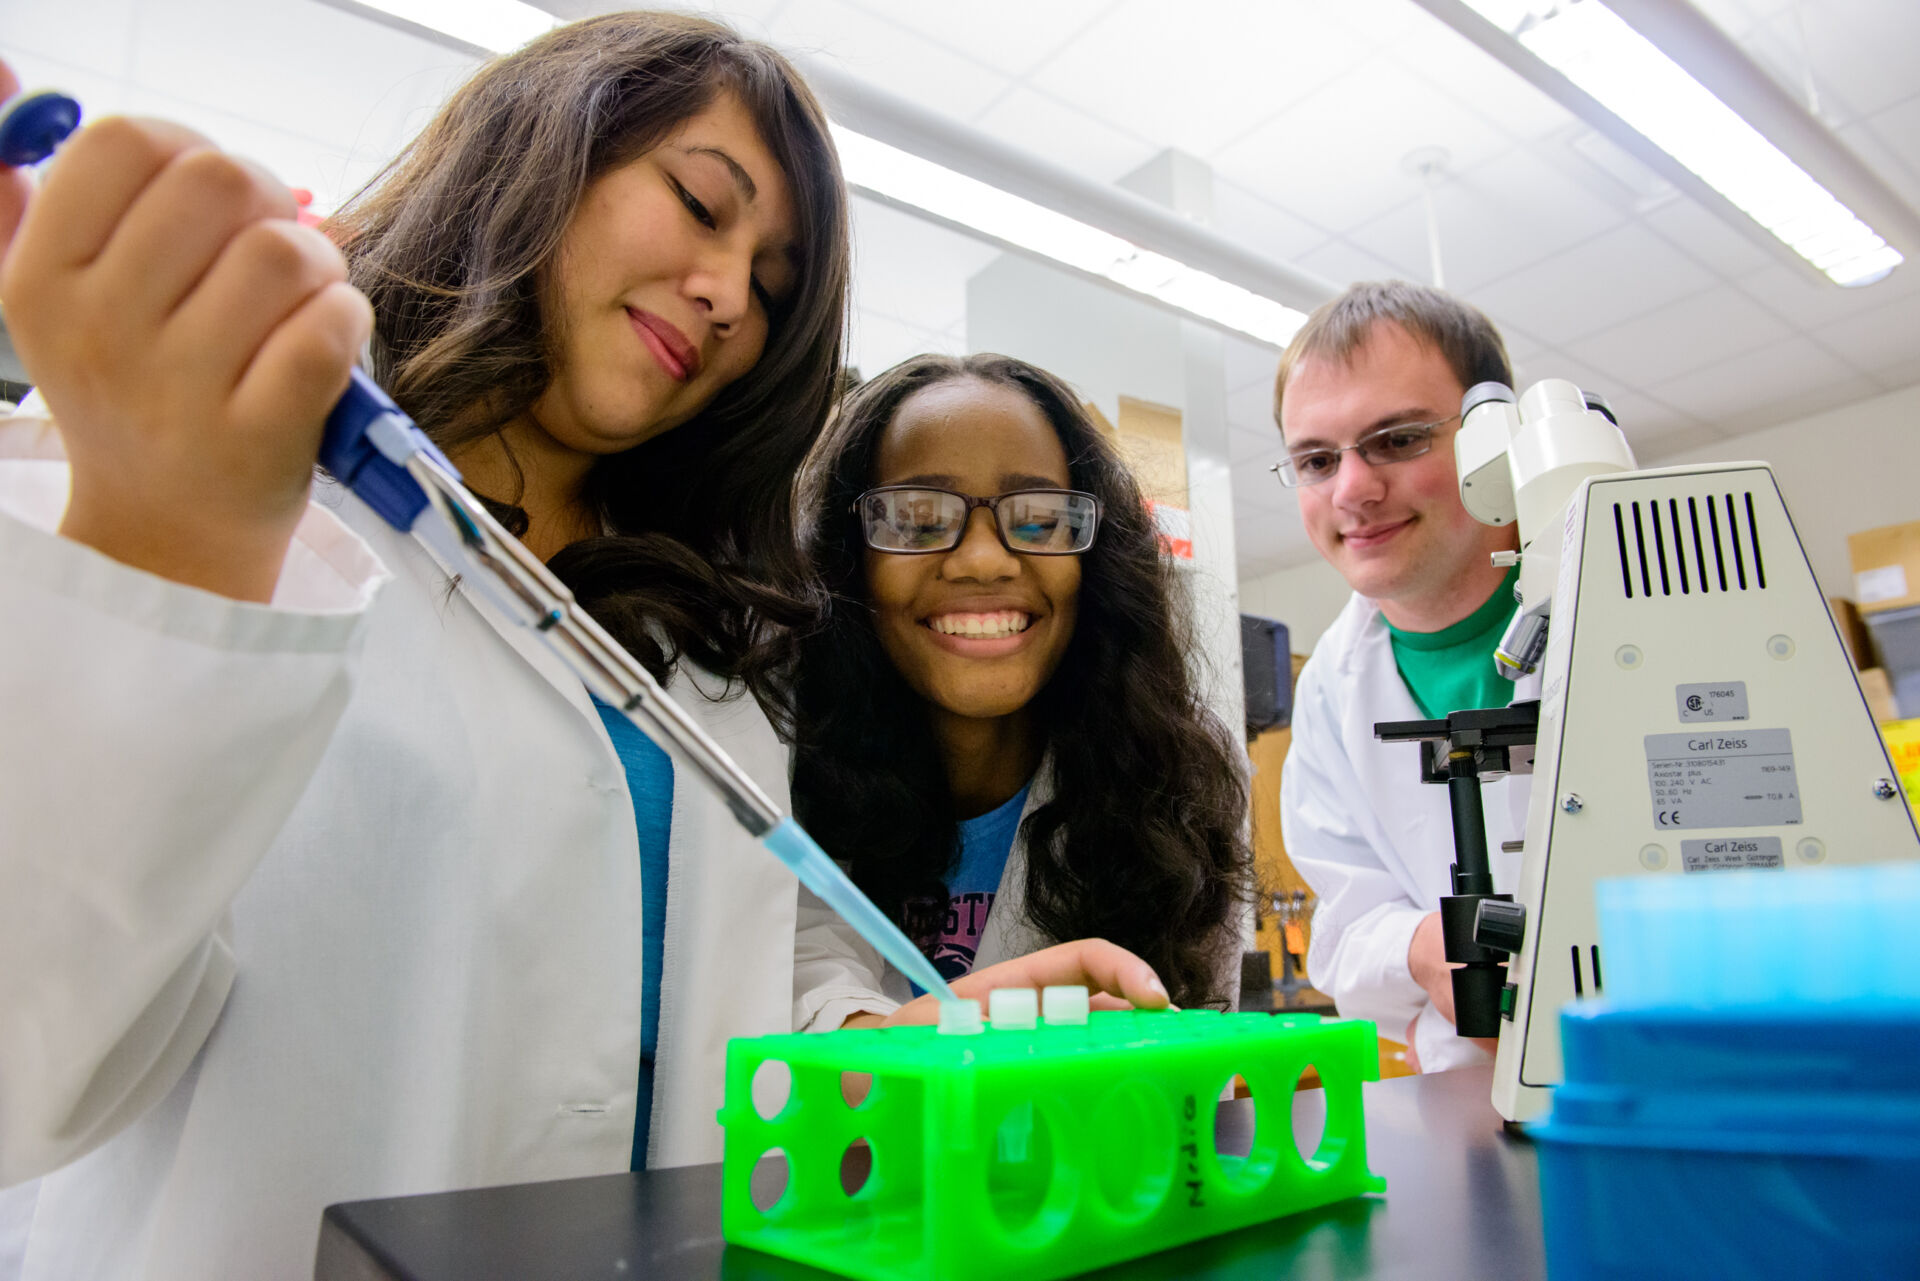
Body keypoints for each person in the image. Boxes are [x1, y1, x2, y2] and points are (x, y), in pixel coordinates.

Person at [0, 21, 1164, 1280]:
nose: (729, 297)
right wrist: (175, 532)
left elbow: (756, 960)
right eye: (700, 202)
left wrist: (889, 1042)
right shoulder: (156, 475)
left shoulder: (711, 634)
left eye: (771, 289)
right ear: (542, 152)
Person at [790, 354, 1254, 1014]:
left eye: (1039, 519)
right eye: (917, 519)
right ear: (848, 559)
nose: (984, 558)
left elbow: (1187, 1063)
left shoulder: (1178, 779)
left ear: (1093, 557)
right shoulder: (781, 760)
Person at [1272, 281, 1533, 1075]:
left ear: (1494, 437)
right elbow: (1346, 934)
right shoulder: (1328, 690)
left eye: (1397, 439)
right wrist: (1424, 947)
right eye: (1317, 459)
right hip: (1477, 1110)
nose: (1352, 488)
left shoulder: (1640, 601)